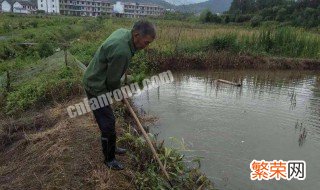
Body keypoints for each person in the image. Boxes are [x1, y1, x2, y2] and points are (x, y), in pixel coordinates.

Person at [82, 20, 156, 170]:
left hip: (96, 76)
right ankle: (109, 159)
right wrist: (120, 95)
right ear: (136, 35)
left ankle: (112, 147)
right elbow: (113, 80)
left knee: (109, 120)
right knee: (108, 123)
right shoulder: (122, 51)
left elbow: (114, 75)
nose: (146, 46)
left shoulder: (123, 33)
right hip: (96, 86)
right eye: (146, 42)